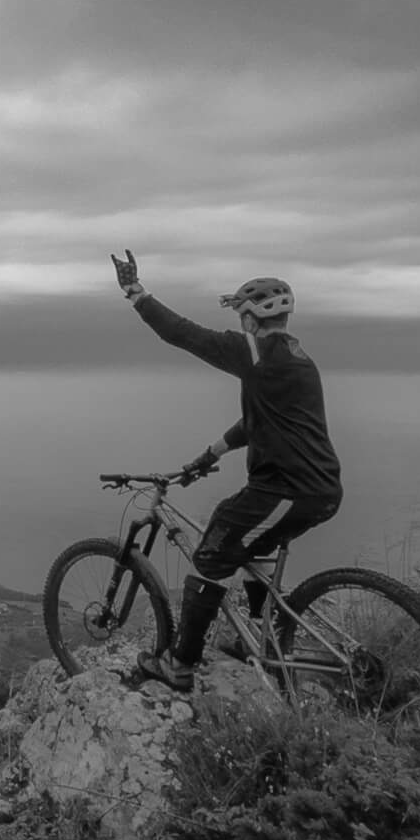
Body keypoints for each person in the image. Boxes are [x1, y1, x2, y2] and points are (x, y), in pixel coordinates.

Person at [109, 250, 343, 690]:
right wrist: (210, 454)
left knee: (213, 550)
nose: (240, 324)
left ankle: (180, 666)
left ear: (252, 319)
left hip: (288, 490)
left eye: (241, 315)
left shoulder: (256, 354)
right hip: (317, 489)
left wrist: (136, 293)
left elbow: (182, 334)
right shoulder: (296, 360)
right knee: (251, 548)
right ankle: (259, 637)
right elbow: (259, 422)